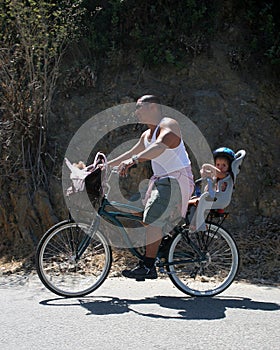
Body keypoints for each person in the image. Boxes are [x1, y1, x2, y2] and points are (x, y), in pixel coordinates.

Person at [107, 95, 194, 280]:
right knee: (140, 210)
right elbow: (131, 152)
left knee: (152, 219)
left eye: (139, 107)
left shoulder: (169, 125)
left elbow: (159, 146)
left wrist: (134, 161)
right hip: (161, 181)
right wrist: (104, 166)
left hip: (176, 180)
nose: (136, 111)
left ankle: (148, 266)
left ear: (153, 107)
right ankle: (159, 245)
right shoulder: (146, 135)